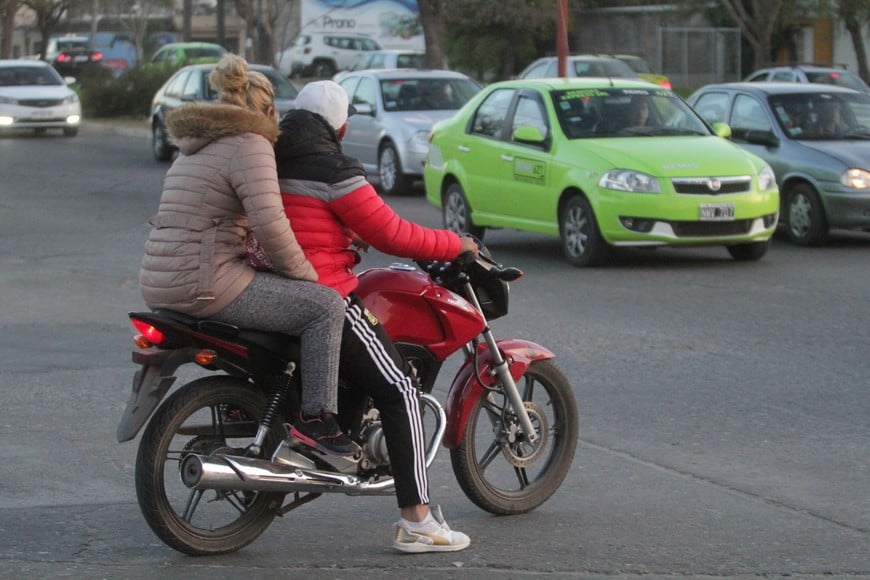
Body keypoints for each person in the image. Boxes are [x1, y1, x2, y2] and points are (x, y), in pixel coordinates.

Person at [248, 80, 478, 553]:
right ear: (342, 128)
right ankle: (417, 521)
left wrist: (345, 237)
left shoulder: (269, 156)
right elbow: (393, 233)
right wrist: (456, 243)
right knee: (402, 389)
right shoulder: (334, 169)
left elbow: (304, 219)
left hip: (268, 290)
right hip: (323, 292)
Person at [139, 54, 358, 457]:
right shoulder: (251, 143)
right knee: (324, 306)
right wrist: (307, 275)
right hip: (207, 283)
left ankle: (251, 400)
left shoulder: (194, 145)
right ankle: (317, 422)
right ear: (271, 113)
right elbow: (271, 225)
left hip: (161, 280)